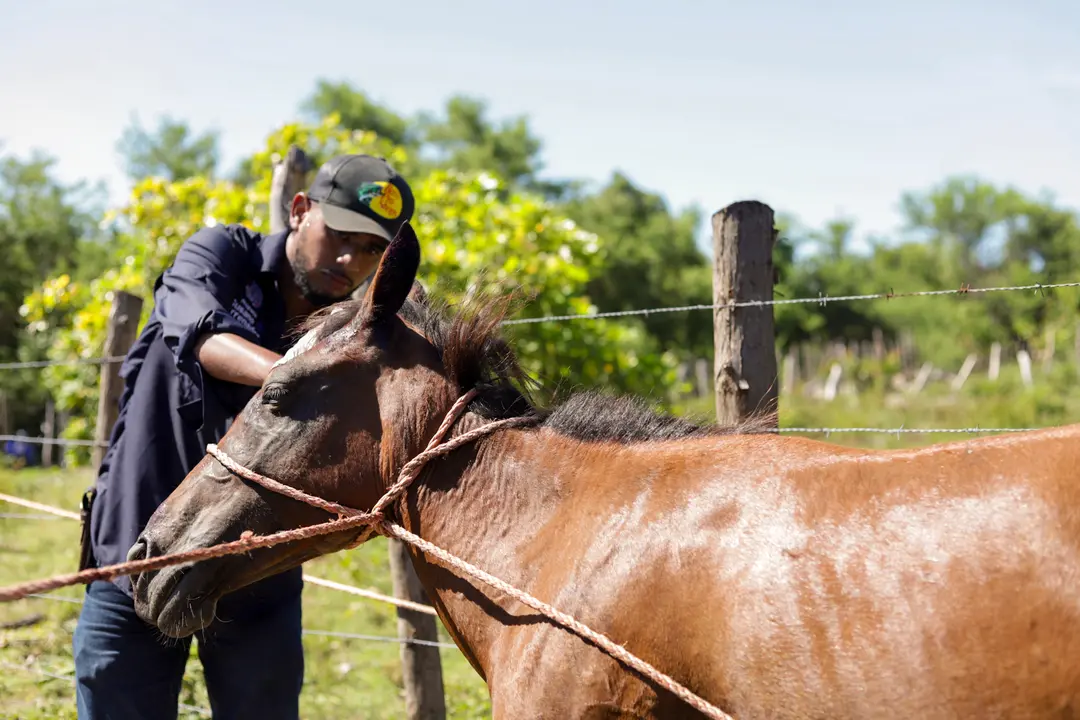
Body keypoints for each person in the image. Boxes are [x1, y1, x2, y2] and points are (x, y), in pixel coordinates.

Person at [72, 153, 416, 720]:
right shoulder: (220, 255)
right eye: (341, 234)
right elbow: (199, 333)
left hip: (256, 573)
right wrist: (297, 378)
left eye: (373, 249)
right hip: (137, 550)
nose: (351, 259)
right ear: (300, 210)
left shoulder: (352, 332)